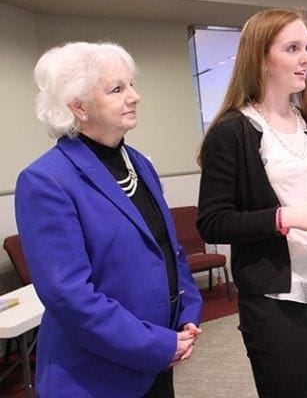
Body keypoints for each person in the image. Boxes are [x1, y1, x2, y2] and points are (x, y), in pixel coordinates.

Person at [14, 41, 203, 397]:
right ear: (78, 107)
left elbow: (168, 250)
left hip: (156, 361)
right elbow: (70, 297)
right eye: (117, 89)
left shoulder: (139, 163)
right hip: (94, 376)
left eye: (131, 84)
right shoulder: (45, 180)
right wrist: (157, 345)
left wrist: (187, 313)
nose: (135, 96)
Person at [196, 8, 307, 398]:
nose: (306, 57)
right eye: (292, 48)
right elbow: (213, 221)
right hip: (277, 297)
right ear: (261, 59)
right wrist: (284, 217)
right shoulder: (232, 132)